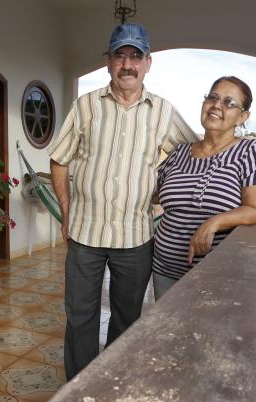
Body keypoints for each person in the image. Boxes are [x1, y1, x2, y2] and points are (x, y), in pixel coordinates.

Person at [49, 22, 196, 381]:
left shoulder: (163, 111)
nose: (127, 64)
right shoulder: (86, 106)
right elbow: (59, 159)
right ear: (109, 62)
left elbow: (193, 155)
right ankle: (79, 389)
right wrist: (67, 211)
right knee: (80, 316)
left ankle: (110, 384)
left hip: (135, 238)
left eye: (135, 56)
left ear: (148, 62)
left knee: (127, 319)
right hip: (85, 233)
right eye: (120, 55)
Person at [151, 76, 256, 299]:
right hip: (164, 269)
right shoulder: (179, 153)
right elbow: (153, 195)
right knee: (169, 333)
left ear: (242, 117)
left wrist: (214, 222)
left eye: (229, 103)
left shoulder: (253, 151)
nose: (217, 105)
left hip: (215, 275)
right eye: (213, 97)